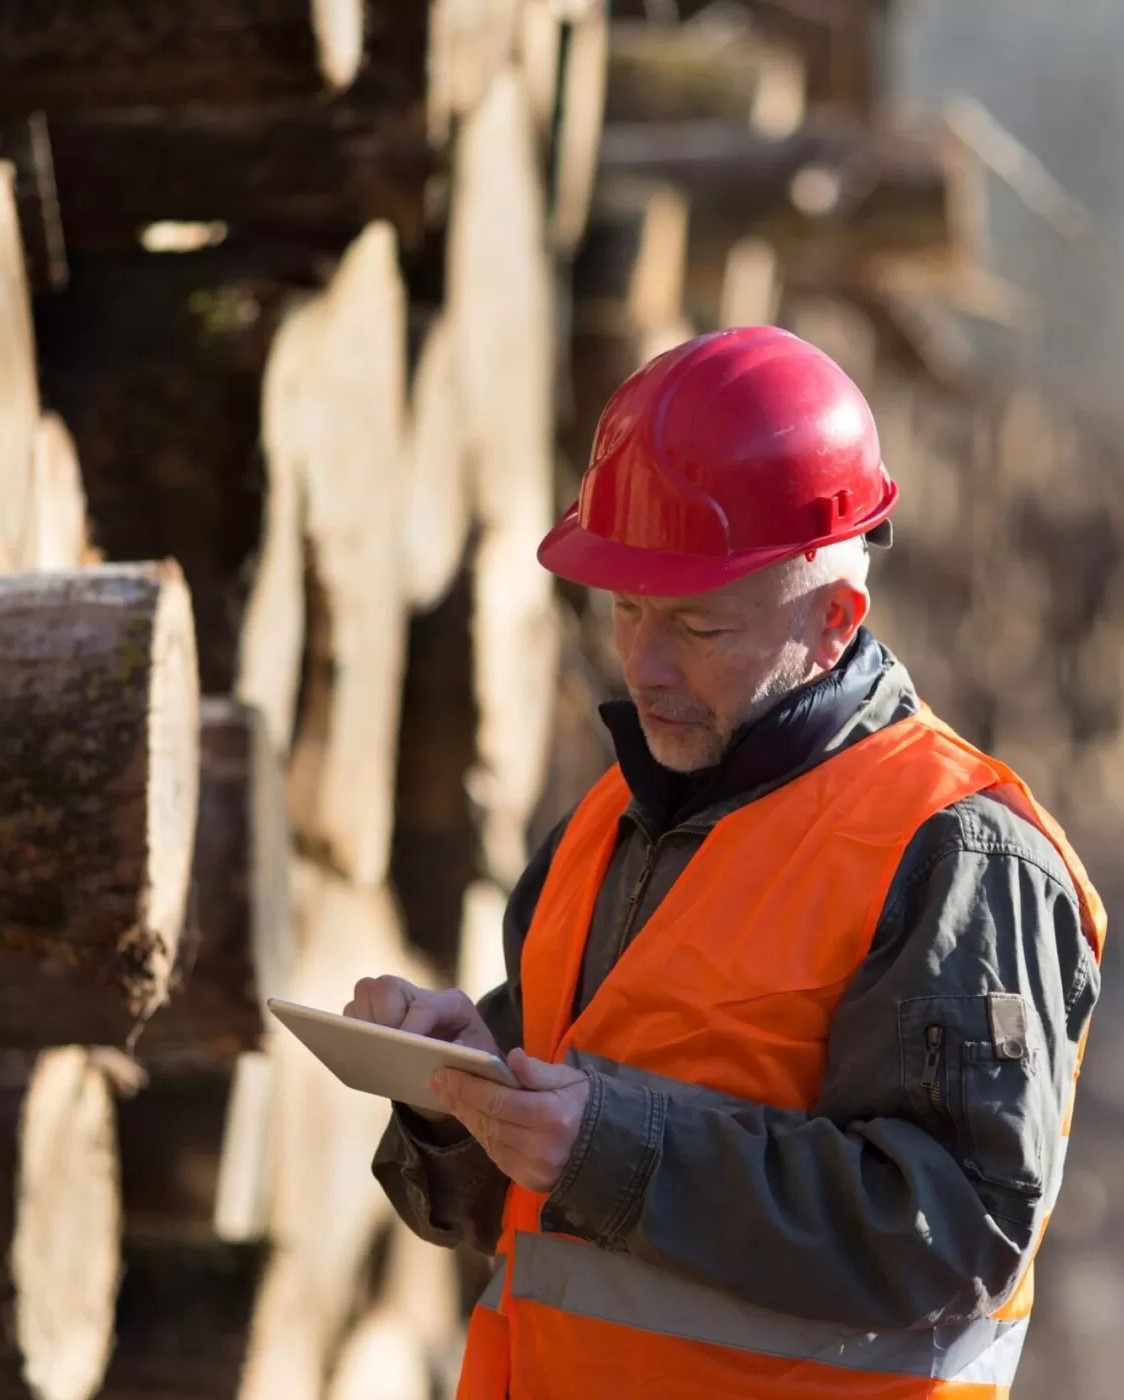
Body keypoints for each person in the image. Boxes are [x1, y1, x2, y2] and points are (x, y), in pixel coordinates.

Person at [350, 327, 1105, 1399]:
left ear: (835, 618)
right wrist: (454, 1094)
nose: (643, 664)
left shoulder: (956, 853)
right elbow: (536, 1212)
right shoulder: (606, 823)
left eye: (696, 625)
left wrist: (609, 1148)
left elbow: (953, 1232)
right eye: (624, 609)